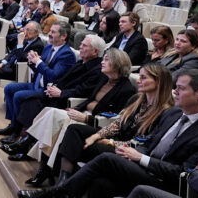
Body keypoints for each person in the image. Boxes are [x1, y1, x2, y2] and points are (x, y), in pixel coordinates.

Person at [18, 69, 198, 198]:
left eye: (181, 89)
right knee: (100, 182)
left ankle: (56, 193)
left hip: (165, 183)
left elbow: (185, 175)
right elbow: (149, 142)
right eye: (175, 87)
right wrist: (133, 150)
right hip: (143, 166)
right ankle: (60, 187)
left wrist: (141, 158)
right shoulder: (175, 114)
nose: (175, 92)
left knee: (106, 159)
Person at [22, 48, 138, 187]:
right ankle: (34, 152)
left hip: (96, 122)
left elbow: (115, 119)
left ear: (117, 63)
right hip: (83, 114)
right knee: (51, 112)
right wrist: (76, 109)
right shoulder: (104, 79)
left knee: (64, 125)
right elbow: (89, 99)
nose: (102, 62)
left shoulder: (127, 89)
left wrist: (85, 118)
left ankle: (44, 167)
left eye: (106, 59)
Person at [50, 63, 174, 188]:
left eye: (143, 77)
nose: (138, 81)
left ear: (158, 82)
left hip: (127, 150)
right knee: (74, 129)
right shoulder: (137, 99)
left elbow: (143, 146)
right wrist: (97, 135)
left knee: (75, 147)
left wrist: (109, 142)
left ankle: (63, 186)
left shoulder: (165, 112)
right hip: (116, 139)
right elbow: (117, 124)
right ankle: (63, 182)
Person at [0, 35, 106, 160]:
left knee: (34, 103)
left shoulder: (96, 70)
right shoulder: (81, 62)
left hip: (68, 101)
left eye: (84, 45)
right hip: (56, 93)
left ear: (96, 51)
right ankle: (21, 141)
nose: (80, 47)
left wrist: (60, 93)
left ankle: (24, 144)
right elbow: (61, 79)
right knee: (30, 101)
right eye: (81, 44)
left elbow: (83, 90)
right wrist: (53, 87)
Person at [0, 22, 77, 138]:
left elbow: (53, 76)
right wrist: (31, 60)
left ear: (63, 36)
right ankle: (13, 124)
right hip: (36, 83)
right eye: (50, 31)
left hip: (47, 90)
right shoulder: (49, 47)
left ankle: (17, 131)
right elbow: (38, 68)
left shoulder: (67, 54)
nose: (49, 34)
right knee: (9, 88)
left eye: (53, 32)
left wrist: (38, 62)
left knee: (18, 95)